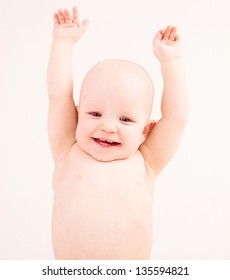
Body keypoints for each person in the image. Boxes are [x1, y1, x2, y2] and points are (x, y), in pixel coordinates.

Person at [47, 6, 189, 260]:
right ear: (77, 114)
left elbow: (175, 119)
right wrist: (63, 44)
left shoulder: (146, 162)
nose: (108, 126)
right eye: (95, 114)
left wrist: (171, 62)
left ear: (145, 131)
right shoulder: (67, 150)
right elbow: (58, 96)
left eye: (125, 119)